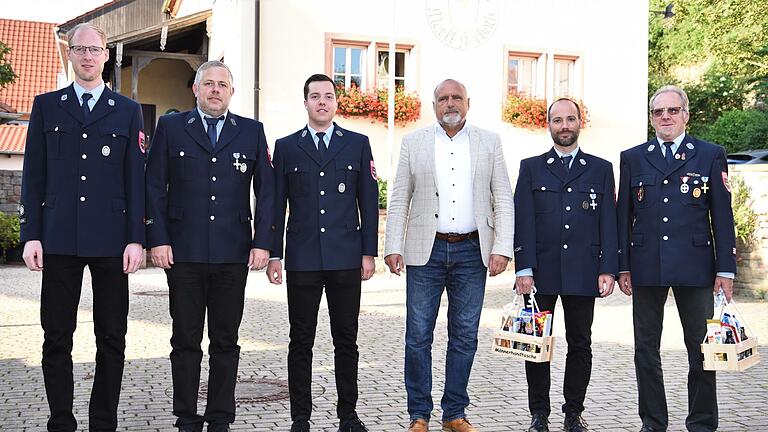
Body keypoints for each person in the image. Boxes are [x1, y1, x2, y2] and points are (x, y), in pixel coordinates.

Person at [19, 22, 145, 431]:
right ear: (69, 55)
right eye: (80, 49)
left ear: (106, 55)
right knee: (57, 337)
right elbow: (33, 174)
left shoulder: (127, 110)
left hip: (111, 242)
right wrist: (30, 233)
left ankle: (103, 421)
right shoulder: (47, 106)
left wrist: (136, 238)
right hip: (58, 238)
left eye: (95, 50)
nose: (88, 57)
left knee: (112, 339)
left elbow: (135, 179)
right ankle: (61, 421)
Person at [145, 60, 275, 432]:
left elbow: (267, 192)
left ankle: (220, 417)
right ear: (196, 90)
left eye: (222, 85)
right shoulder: (171, 128)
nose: (215, 90)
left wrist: (263, 242)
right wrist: (159, 238)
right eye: (209, 84)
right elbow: (153, 185)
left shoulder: (251, 132)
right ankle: (187, 416)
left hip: (232, 254)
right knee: (185, 340)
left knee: (225, 341)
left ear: (231, 92)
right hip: (182, 254)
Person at [384, 79, 513, 432]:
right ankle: (419, 415)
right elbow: (399, 199)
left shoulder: (489, 142)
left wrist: (502, 248)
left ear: (468, 103)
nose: (450, 103)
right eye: (443, 98)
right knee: (418, 335)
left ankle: (454, 412)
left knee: (465, 335)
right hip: (426, 251)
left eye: (456, 97)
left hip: (473, 251)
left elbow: (502, 196)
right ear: (434, 104)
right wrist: (392, 246)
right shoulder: (414, 142)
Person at [616, 85, 737, 432]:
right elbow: (623, 215)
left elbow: (722, 217)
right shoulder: (634, 157)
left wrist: (725, 269)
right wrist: (623, 264)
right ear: (652, 118)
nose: (665, 117)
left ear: (686, 114)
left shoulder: (710, 154)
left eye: (672, 110)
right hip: (646, 265)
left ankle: (701, 422)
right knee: (646, 351)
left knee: (701, 351)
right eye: (658, 112)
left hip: (696, 266)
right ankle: (653, 422)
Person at [266, 73, 378, 432]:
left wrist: (368, 252)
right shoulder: (286, 146)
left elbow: (368, 202)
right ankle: (301, 415)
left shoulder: (357, 143)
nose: (322, 102)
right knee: (301, 340)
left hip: (345, 257)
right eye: (315, 96)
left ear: (336, 102)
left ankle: (349, 414)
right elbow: (274, 204)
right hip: (303, 258)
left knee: (346, 340)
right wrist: (274, 254)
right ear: (306, 103)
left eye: (328, 96)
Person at [513, 98, 618, 432]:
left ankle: (573, 411)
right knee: (535, 344)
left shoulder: (601, 169)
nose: (564, 126)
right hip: (540, 273)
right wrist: (523, 268)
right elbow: (523, 221)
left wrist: (607, 268)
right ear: (549, 125)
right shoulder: (531, 167)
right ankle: (538, 414)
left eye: (570, 119)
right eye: (557, 120)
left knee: (580, 343)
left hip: (583, 270)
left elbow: (608, 223)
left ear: (579, 123)